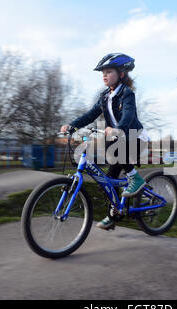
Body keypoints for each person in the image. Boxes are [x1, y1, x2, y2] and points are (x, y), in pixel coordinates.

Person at [60, 53, 150, 230]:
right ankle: (114, 214)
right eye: (103, 72)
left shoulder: (127, 94)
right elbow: (90, 115)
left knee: (117, 149)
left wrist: (118, 129)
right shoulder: (104, 97)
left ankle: (136, 179)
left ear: (121, 74)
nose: (104, 75)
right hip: (117, 139)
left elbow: (128, 115)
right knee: (108, 180)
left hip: (135, 137)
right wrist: (72, 126)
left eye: (109, 71)